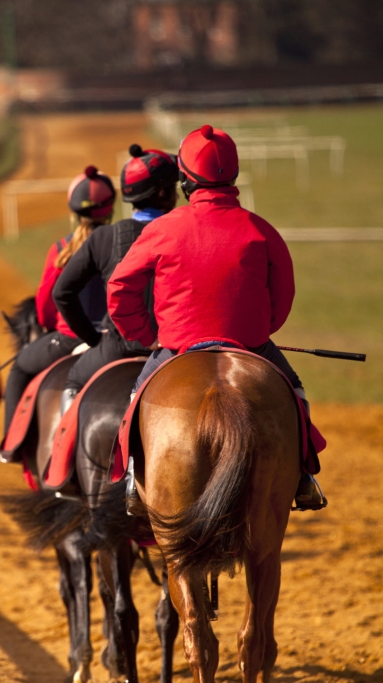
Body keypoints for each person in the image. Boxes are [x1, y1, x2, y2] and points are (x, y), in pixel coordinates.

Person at [107, 124, 326, 511]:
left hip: (175, 349)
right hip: (251, 345)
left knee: (135, 399)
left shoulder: (162, 229)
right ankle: (304, 477)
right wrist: (258, 330)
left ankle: (130, 480)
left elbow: (119, 289)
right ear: (234, 175)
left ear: (186, 181)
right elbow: (283, 295)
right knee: (294, 391)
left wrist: (145, 335)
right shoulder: (262, 229)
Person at [51, 145, 178, 415]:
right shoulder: (185, 232)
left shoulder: (104, 237)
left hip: (116, 348)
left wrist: (92, 338)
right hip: (176, 349)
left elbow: (62, 292)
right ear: (164, 192)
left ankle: (62, 458)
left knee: (73, 380)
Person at [0, 166, 116, 455]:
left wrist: (49, 324)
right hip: (115, 339)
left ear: (74, 212)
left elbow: (44, 303)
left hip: (69, 339)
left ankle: (11, 445)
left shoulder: (61, 248)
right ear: (111, 209)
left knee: (19, 368)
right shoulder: (122, 242)